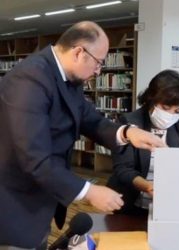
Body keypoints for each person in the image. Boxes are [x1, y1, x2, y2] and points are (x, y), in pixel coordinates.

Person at [0, 21, 165, 249]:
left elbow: (89, 118)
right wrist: (88, 191)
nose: (98, 71)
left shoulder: (66, 76)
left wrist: (127, 132)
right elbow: (34, 158)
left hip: (42, 197)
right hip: (15, 205)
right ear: (79, 52)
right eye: (98, 63)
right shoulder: (29, 81)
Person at [107, 69, 179, 215]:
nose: (170, 115)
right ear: (151, 99)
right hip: (131, 203)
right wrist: (148, 187)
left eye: (177, 111)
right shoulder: (129, 122)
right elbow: (123, 170)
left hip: (172, 205)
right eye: (165, 108)